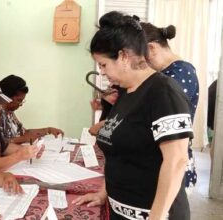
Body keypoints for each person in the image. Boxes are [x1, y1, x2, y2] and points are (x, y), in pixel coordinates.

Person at [72, 11, 193, 220]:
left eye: (103, 64)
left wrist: (156, 217)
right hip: (120, 211)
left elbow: (177, 161)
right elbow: (120, 153)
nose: (101, 72)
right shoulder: (126, 93)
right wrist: (103, 194)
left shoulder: (163, 91)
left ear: (124, 56)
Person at [141, 22, 199, 191]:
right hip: (160, 162)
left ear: (151, 48)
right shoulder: (165, 74)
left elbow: (158, 113)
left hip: (173, 165)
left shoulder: (181, 73)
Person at [0, 74, 64, 144]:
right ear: (7, 97)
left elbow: (24, 132)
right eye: (19, 100)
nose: (21, 104)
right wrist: (24, 139)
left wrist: (48, 130)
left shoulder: (9, 111)